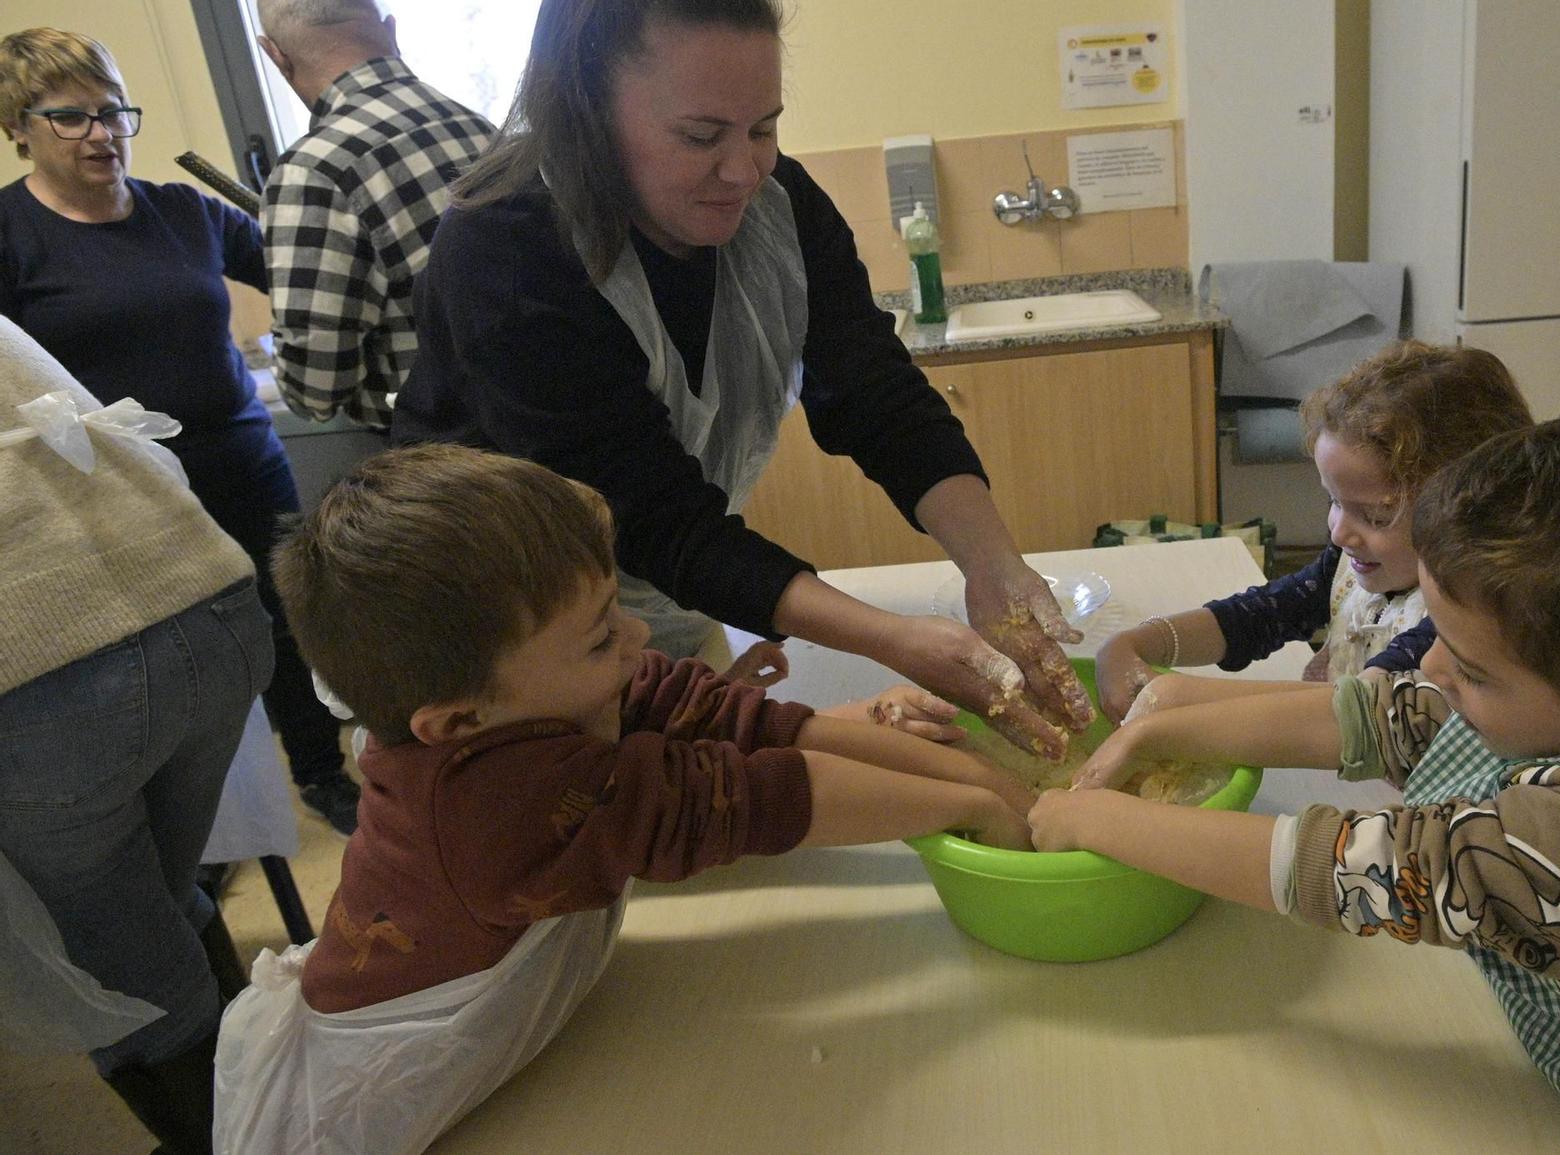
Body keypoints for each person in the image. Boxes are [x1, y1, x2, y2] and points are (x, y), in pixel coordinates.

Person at [1031, 403, 1560, 1155]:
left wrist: (1089, 821)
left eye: (1473, 670)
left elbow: (1353, 868)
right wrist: (1173, 720)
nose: (1432, 666)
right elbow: (1393, 712)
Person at [393, 0, 1088, 762]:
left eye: (764, 128)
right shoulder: (508, 246)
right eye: (700, 136)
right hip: (493, 638)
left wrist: (994, 566)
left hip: (653, 602)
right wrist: (896, 638)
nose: (743, 170)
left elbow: (875, 392)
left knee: (705, 798)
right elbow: (654, 514)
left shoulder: (781, 205)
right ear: (592, 111)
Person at [213, 443, 1034, 1154]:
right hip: (363, 1105)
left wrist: (943, 759)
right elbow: (743, 797)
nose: (637, 639)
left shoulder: (532, 694)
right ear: (458, 722)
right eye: (604, 634)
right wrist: (975, 804)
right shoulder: (489, 803)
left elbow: (733, 723)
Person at [0, 27, 359, 832]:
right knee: (171, 650)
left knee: (284, 621)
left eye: (112, 111)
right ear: (18, 126)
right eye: (71, 117)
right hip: (115, 485)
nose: (102, 133)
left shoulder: (184, 210)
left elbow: (297, 270)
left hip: (240, 457)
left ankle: (321, 773)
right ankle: (207, 821)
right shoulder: (10, 233)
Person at [0, 314, 273, 1155]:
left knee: (124, 978)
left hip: (44, 667)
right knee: (156, 899)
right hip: (206, 599)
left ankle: (240, 1141)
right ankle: (284, 1106)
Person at [1094, 340, 1532, 722]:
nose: (1339, 533)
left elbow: (1354, 714)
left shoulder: (1463, 618)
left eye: (1376, 516)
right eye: (1334, 502)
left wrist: (1171, 699)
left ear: (1469, 512)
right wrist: (1136, 643)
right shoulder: (1356, 564)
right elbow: (1260, 615)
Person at [254, 0, 496, 433]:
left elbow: (315, 389)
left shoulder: (314, 170)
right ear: (389, 29)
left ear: (276, 55)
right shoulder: (478, 127)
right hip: (535, 424)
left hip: (445, 450)